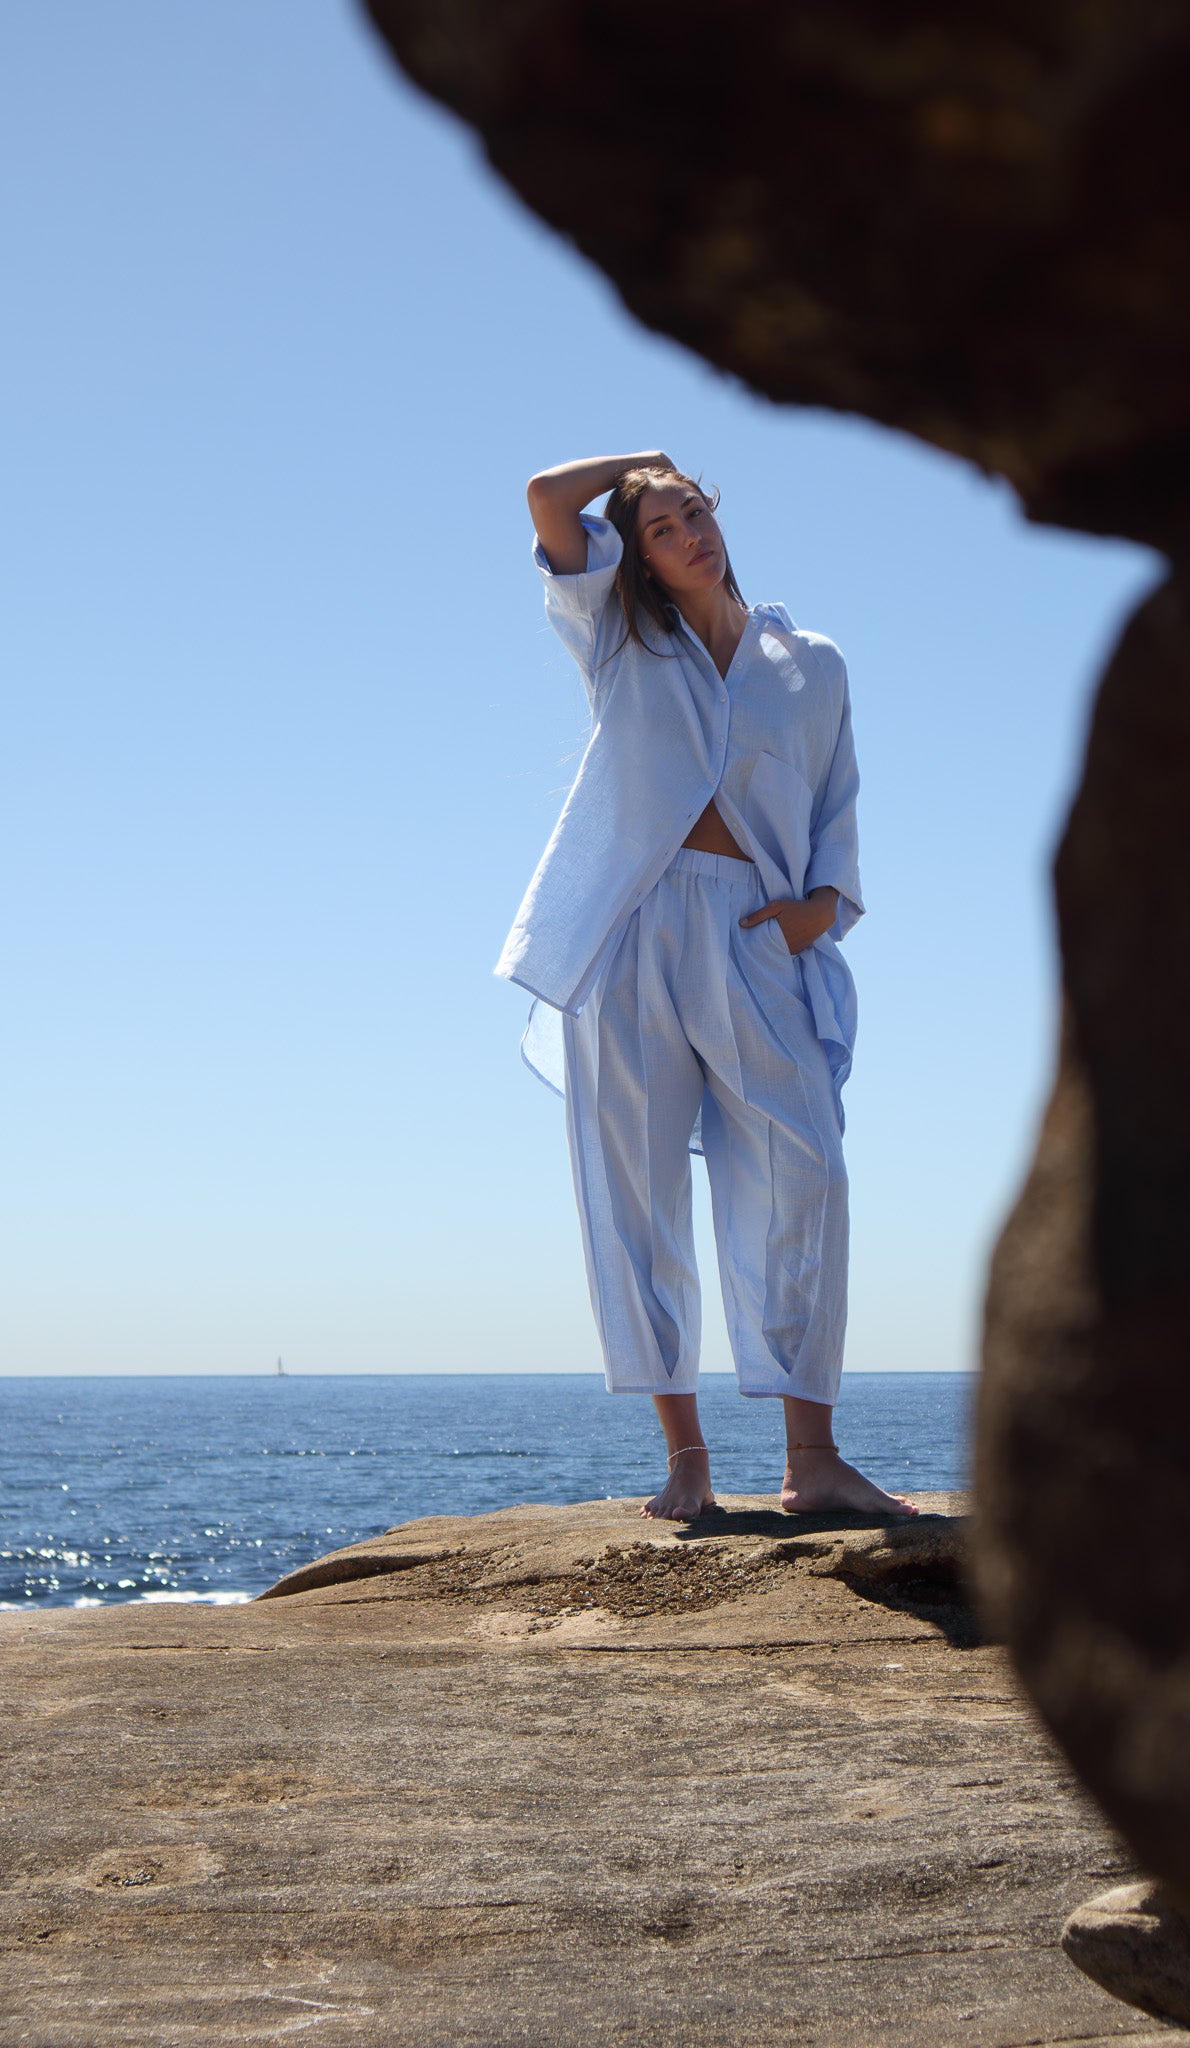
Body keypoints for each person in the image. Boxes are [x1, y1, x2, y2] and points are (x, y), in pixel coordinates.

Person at [498, 451, 916, 1524]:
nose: (690, 534)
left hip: (755, 927)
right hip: (633, 926)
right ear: (637, 558)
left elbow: (839, 799)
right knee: (634, 1184)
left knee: (808, 1168)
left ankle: (810, 1456)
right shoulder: (620, 638)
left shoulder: (809, 662)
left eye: (695, 512)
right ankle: (685, 1455)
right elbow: (547, 500)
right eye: (663, 529)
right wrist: (638, 452)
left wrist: (821, 908)